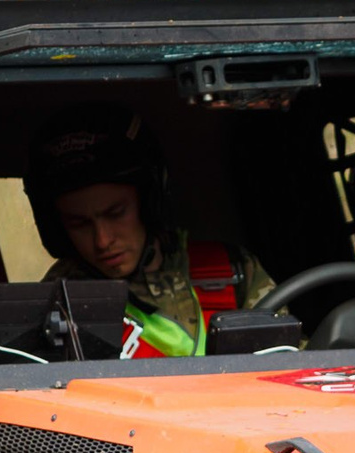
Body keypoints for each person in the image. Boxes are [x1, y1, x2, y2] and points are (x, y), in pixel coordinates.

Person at [23, 105, 267, 357]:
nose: (103, 240)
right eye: (79, 223)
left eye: (116, 213)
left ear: (149, 204)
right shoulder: (55, 308)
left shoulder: (233, 272)